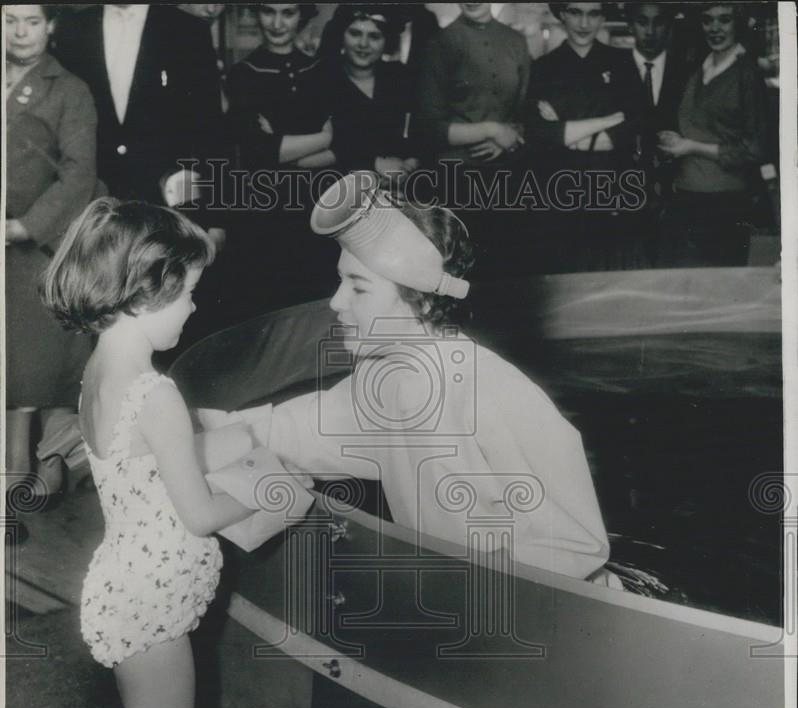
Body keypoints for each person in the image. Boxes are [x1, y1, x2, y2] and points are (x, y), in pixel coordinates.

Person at [40, 199, 255, 708]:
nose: (194, 308)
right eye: (190, 291)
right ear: (149, 288)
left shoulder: (101, 369)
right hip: (155, 598)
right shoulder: (156, 392)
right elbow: (199, 513)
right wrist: (266, 492)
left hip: (126, 581)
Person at [234, 173, 610, 580]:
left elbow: (574, 547)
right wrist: (178, 436)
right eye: (341, 282)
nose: (336, 302)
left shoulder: (494, 394)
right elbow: (291, 433)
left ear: (424, 304)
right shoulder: (386, 380)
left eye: (359, 289)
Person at [5, 4, 98, 505]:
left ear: (51, 26)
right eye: (10, 19)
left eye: (32, 21)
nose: (20, 32)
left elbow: (78, 174)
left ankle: (25, 478)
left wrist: (23, 226)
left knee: (29, 373)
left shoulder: (69, 90)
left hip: (36, 248)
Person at [53, 4, 222, 209]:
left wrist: (214, 216)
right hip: (91, 203)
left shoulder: (188, 30)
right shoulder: (74, 27)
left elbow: (210, 127)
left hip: (166, 203)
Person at [227, 2, 336, 312]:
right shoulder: (243, 74)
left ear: (302, 15)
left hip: (318, 207)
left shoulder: (321, 71)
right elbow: (257, 152)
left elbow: (344, 147)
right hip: (266, 213)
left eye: (287, 13)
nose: (276, 23)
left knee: (316, 310)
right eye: (268, 11)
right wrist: (322, 137)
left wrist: (283, 148)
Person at [525, 2, 644, 272]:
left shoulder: (622, 63)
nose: (584, 23)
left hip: (610, 191)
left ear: (603, 17)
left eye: (593, 13)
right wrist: (605, 121)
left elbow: (630, 129)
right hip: (558, 195)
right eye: (576, 12)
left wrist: (565, 131)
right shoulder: (543, 68)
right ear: (562, 15)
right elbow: (539, 133)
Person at [415, 2, 529, 279]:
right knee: (461, 273)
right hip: (456, 182)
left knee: (508, 271)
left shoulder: (516, 42)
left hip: (507, 176)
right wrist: (491, 129)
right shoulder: (440, 43)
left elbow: (524, 115)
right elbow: (429, 128)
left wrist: (510, 137)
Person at [657, 3, 769, 266]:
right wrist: (674, 138)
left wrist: (691, 147)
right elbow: (699, 124)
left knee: (720, 288)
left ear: (738, 23)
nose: (715, 28)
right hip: (685, 195)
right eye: (707, 20)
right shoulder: (698, 68)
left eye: (724, 20)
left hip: (726, 203)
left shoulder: (747, 75)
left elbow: (755, 149)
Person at [620, 3, 689, 262]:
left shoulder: (688, 71)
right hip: (623, 195)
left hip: (676, 197)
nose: (650, 31)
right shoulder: (612, 69)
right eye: (641, 21)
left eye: (658, 22)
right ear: (630, 25)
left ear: (669, 26)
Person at [322, 6, 419, 182]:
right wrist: (373, 162)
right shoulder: (323, 80)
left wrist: (411, 163)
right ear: (341, 35)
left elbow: (419, 134)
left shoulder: (400, 77)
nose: (363, 44)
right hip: (341, 188)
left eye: (374, 36)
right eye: (355, 33)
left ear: (387, 41)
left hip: (396, 186)